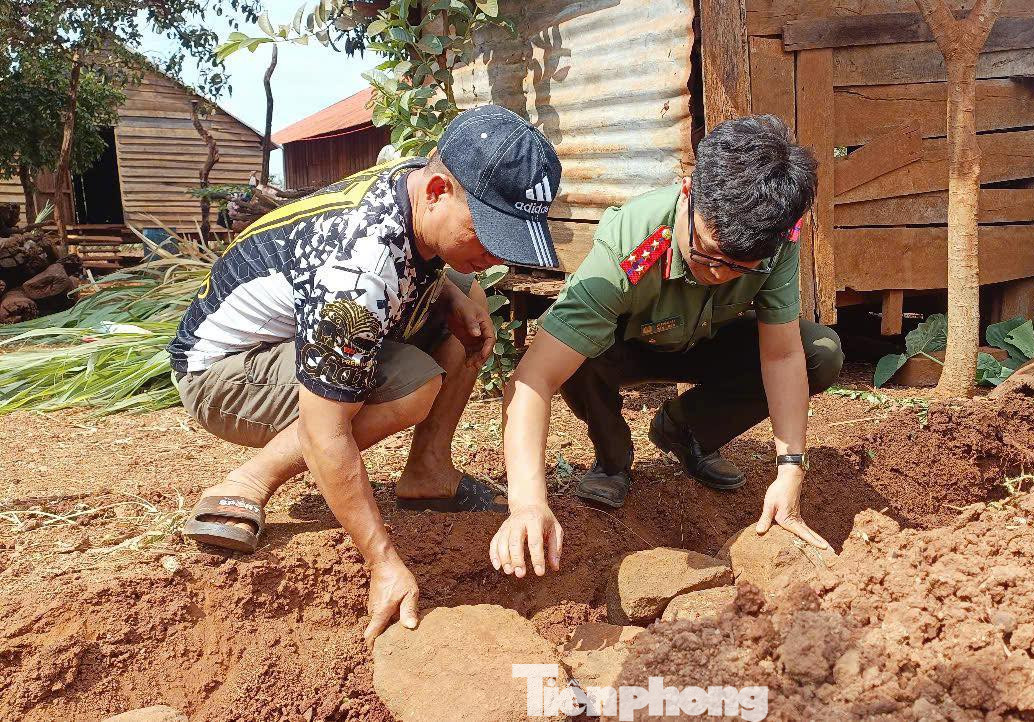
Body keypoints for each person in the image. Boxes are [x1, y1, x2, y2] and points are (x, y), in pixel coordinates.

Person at [170, 105, 562, 643]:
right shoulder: (357, 270)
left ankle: (428, 473)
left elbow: (419, 257)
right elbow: (325, 428)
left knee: (464, 326)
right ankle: (247, 482)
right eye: (486, 233)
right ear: (438, 191)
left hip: (293, 336)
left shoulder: (414, 183)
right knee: (412, 384)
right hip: (224, 373)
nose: (494, 255)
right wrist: (383, 561)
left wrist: (452, 291)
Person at [490, 114, 844, 579]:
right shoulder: (633, 242)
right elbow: (535, 376)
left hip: (707, 339)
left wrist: (790, 468)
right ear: (688, 192)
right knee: (575, 355)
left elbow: (782, 354)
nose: (718, 273)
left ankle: (685, 430)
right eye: (706, 253)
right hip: (625, 346)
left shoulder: (776, 240)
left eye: (739, 266)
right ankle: (612, 459)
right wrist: (527, 504)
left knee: (820, 351)